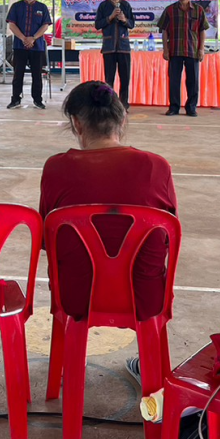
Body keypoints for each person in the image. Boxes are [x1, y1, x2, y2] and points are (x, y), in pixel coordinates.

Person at [38, 80, 177, 386]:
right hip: (145, 296)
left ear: (76, 123)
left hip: (76, 296)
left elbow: (48, 241)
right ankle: (155, 375)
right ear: (122, 118)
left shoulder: (56, 168)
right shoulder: (156, 167)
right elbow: (165, 237)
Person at [156, 0, 207, 117]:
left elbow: (202, 30)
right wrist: (165, 49)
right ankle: (174, 107)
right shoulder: (170, 10)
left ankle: (191, 108)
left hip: (193, 50)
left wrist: (201, 49)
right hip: (175, 50)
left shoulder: (198, 10)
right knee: (174, 80)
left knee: (193, 81)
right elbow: (164, 31)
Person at [6, 0, 51, 110]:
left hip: (37, 47)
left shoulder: (42, 7)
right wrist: (23, 38)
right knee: (18, 73)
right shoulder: (16, 6)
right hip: (19, 46)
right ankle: (15, 100)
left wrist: (33, 38)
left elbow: (45, 25)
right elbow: (12, 25)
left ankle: (38, 100)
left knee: (37, 74)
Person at [94, 0, 136, 109]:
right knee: (109, 78)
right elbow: (97, 25)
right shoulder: (103, 6)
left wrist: (124, 20)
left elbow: (132, 24)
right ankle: (109, 104)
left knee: (125, 78)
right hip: (109, 48)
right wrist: (110, 17)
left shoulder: (126, 5)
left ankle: (123, 104)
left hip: (123, 47)